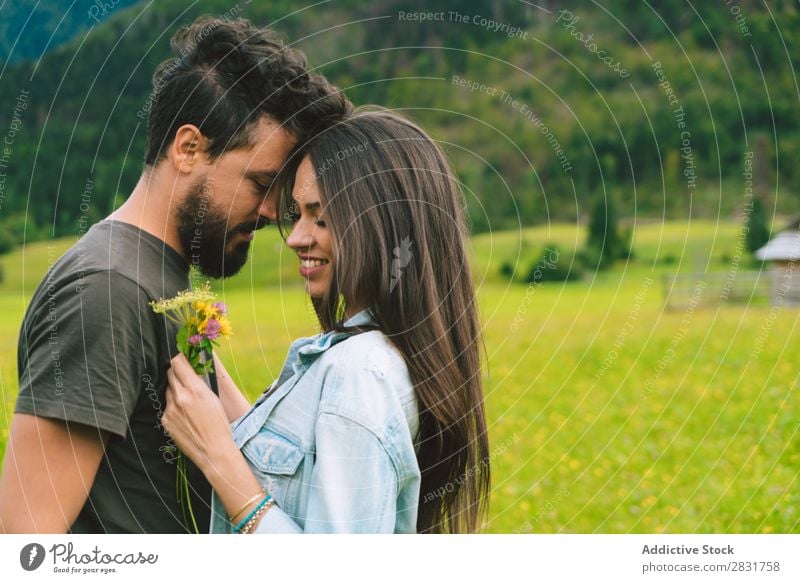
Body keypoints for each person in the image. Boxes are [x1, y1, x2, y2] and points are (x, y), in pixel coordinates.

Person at [0, 16, 349, 533]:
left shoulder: (154, 276)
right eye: (259, 183)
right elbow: (25, 543)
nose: (276, 213)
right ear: (188, 148)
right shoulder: (103, 290)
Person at [161, 110, 490, 533]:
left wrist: (216, 456)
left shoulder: (360, 375)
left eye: (321, 216)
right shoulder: (367, 356)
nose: (297, 237)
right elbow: (296, 470)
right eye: (297, 214)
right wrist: (204, 367)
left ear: (381, 224)